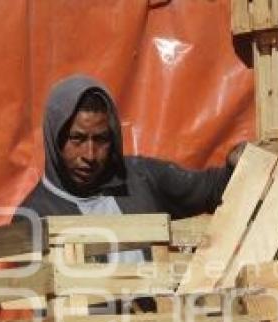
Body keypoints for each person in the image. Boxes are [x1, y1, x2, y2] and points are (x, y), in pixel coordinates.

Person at [18, 74, 245, 220]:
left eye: (101, 140)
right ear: (54, 138)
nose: (89, 155)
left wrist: (238, 163)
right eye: (76, 139)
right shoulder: (34, 216)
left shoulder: (140, 178)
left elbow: (211, 188)